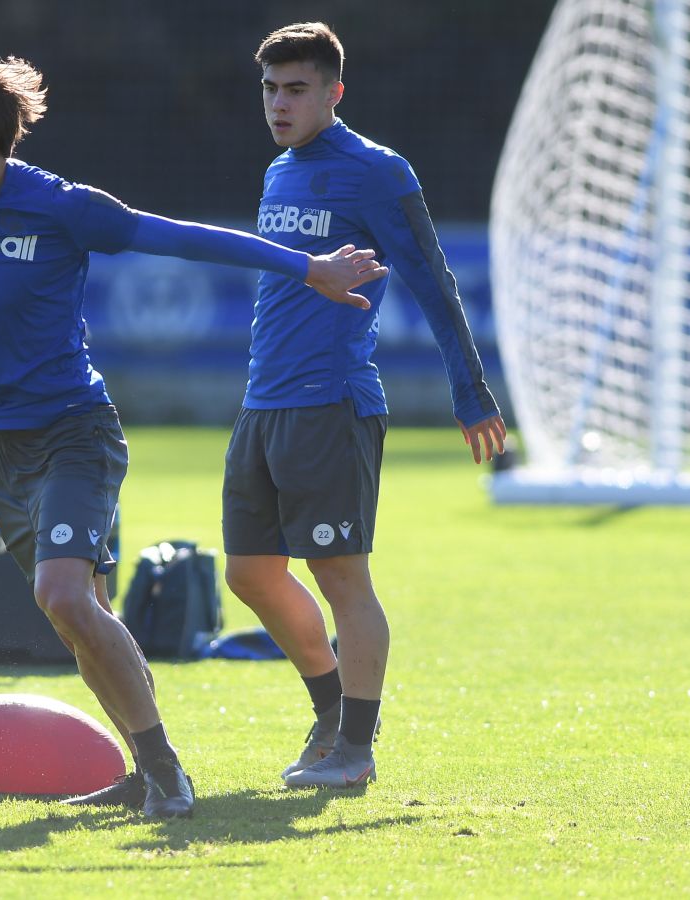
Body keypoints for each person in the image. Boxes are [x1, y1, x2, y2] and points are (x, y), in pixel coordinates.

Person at [0, 41, 388, 818]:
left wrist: (308, 268)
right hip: (0, 440)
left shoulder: (61, 206)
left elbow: (184, 236)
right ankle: (148, 768)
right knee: (80, 620)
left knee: (63, 595)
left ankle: (167, 774)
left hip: (74, 431)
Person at [222, 22, 507, 789]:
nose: (278, 104)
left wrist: (469, 387)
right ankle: (329, 712)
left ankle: (354, 748)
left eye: (295, 89)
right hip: (263, 402)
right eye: (269, 89)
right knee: (247, 573)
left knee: (339, 576)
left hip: (331, 402)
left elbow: (431, 280)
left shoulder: (377, 170)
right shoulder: (280, 170)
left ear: (333, 92)